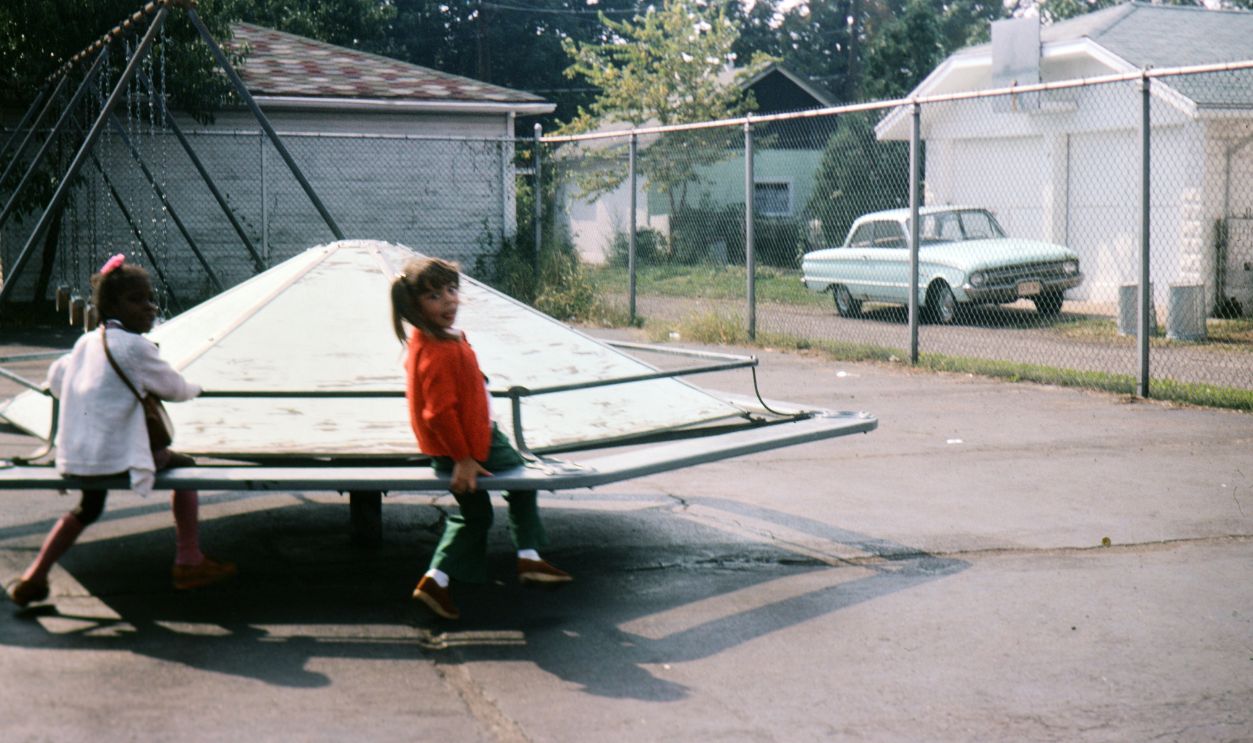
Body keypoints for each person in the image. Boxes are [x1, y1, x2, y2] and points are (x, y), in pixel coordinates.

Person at [6, 255, 236, 608]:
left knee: (88, 507)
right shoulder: (136, 347)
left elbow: (56, 379)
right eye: (137, 300)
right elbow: (174, 389)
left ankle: (34, 576)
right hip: (118, 460)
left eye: (149, 298)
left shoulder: (87, 343)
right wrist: (196, 388)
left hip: (82, 459)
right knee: (186, 467)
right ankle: (189, 561)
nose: (149, 307)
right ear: (112, 306)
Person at [391, 256, 570, 620]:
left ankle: (435, 579)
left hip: (460, 447)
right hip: (473, 447)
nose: (449, 301)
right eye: (435, 296)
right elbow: (438, 413)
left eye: (452, 290)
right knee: (523, 482)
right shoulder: (438, 351)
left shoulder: (435, 341)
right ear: (415, 305)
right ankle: (528, 558)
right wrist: (465, 458)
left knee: (474, 517)